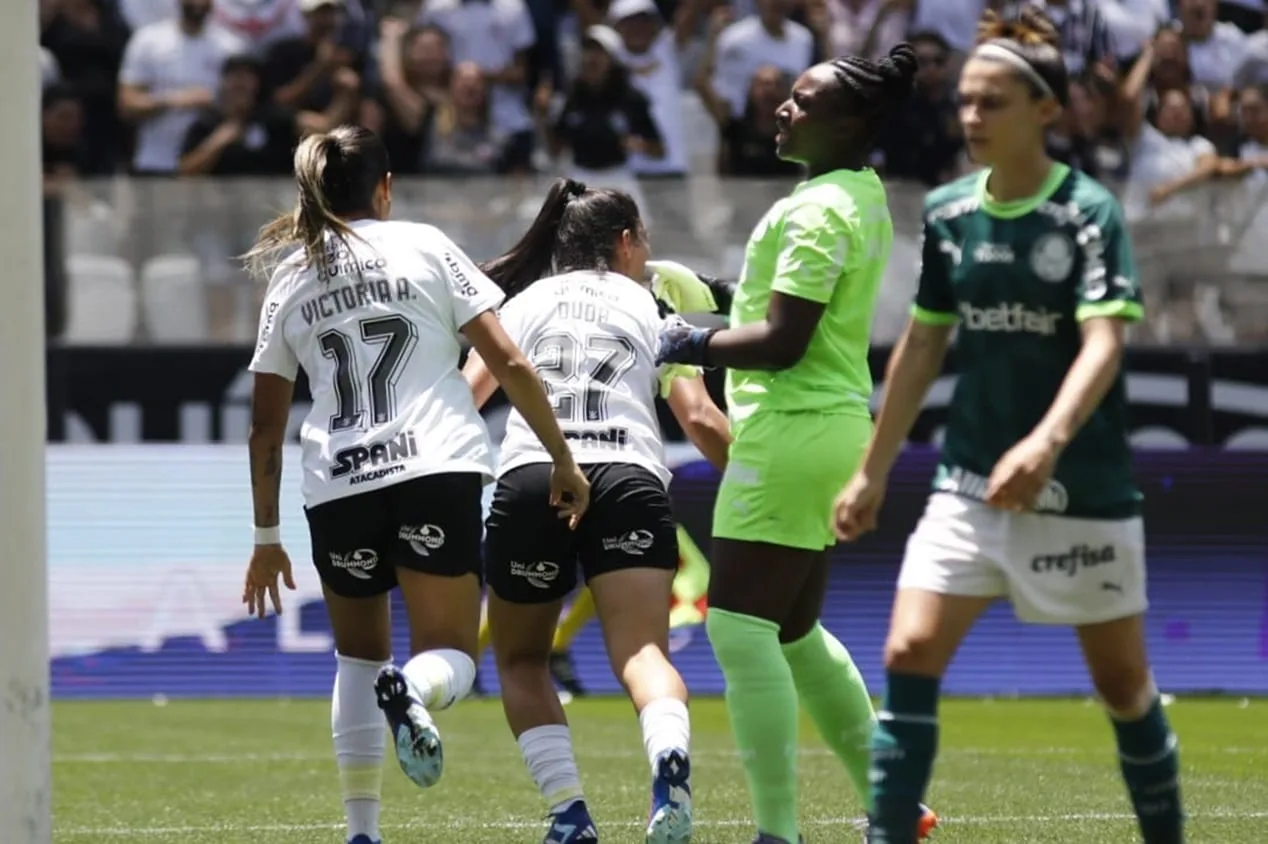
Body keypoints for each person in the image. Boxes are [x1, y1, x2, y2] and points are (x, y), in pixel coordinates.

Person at [832, 10, 1185, 844]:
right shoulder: (952, 212)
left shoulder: (1088, 212)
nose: (971, 118)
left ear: (1046, 111)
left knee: (1124, 685)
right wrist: (871, 468)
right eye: (964, 102)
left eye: (991, 102)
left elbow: (1104, 345)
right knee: (909, 651)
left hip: (1080, 490)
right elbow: (922, 344)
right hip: (967, 485)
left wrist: (1046, 441)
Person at [238, 125, 590, 844]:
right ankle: (416, 692)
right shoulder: (426, 244)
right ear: (385, 187)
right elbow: (511, 363)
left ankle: (362, 831)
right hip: (435, 466)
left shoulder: (291, 274)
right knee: (451, 652)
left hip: (337, 482)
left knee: (358, 658)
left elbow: (265, 428)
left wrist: (265, 537)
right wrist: (561, 455)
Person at [655, 45, 937, 844]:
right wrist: (713, 305)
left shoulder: (817, 209)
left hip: (792, 427)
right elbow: (782, 312)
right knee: (792, 634)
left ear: (851, 123)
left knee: (737, 628)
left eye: (804, 102)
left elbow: (781, 341)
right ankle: (895, 806)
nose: (783, 107)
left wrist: (682, 342)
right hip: (830, 427)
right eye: (788, 96)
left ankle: (777, 832)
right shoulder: (856, 192)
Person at [462, 177, 732, 844]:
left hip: (533, 477)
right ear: (625, 243)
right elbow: (698, 418)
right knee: (642, 651)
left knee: (521, 661)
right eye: (644, 241)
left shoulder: (519, 303)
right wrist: (760, 480)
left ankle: (569, 813)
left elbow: (467, 397)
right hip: (630, 476)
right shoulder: (651, 307)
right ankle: (667, 757)